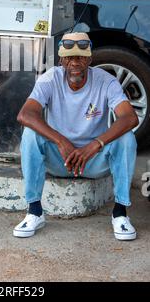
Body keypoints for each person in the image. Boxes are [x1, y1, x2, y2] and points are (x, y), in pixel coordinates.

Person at [14, 32, 138, 241]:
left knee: (127, 139)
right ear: (61, 60)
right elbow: (25, 114)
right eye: (69, 58)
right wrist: (61, 141)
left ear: (90, 59)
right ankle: (34, 211)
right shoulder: (51, 78)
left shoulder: (106, 81)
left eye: (80, 57)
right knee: (30, 135)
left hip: (93, 161)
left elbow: (130, 118)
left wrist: (96, 144)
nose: (75, 63)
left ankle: (120, 213)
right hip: (60, 158)